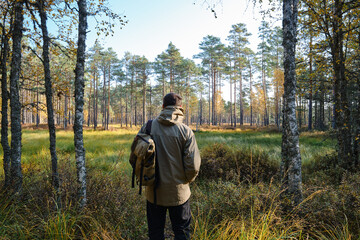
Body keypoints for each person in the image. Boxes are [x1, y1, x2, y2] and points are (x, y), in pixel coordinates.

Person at [136, 93, 201, 240]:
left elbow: (135, 155)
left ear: (163, 107)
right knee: (181, 232)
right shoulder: (186, 131)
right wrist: (185, 182)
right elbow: (194, 166)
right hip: (179, 193)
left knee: (155, 232)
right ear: (180, 108)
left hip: (154, 192)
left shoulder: (148, 127)